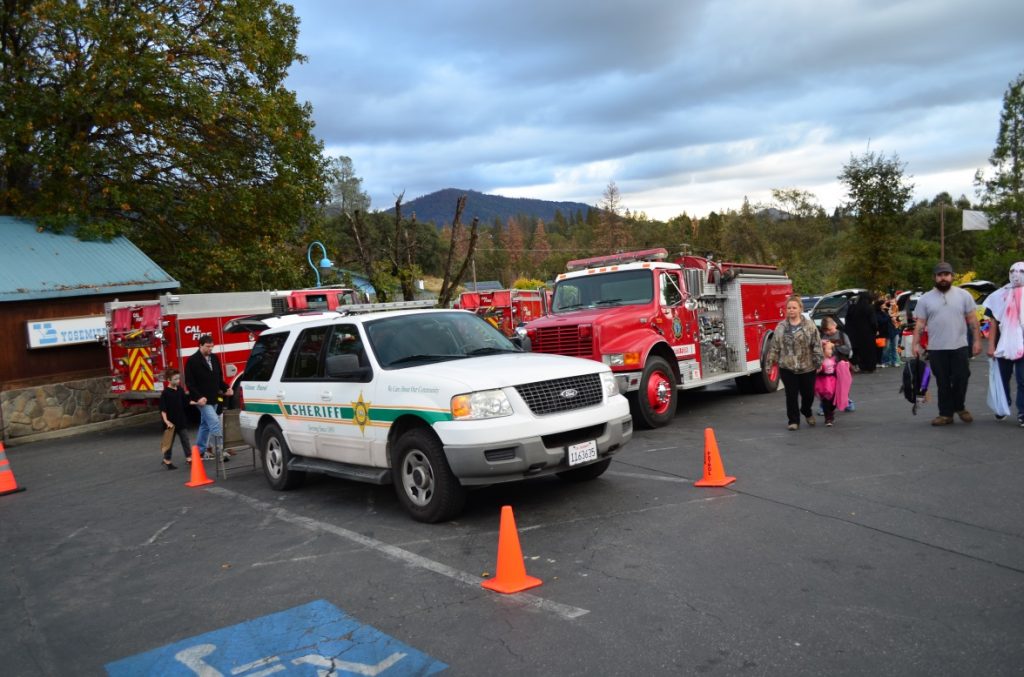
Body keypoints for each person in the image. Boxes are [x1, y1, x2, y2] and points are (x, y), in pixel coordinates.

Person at [912, 262, 981, 426]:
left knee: (961, 378)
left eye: (946, 274)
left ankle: (960, 407)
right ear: (935, 277)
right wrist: (915, 344)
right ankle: (945, 414)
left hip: (960, 346)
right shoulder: (925, 299)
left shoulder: (964, 295)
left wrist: (977, 340)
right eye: (940, 275)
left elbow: (973, 320)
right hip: (937, 348)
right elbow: (920, 324)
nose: (943, 278)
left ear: (952, 276)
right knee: (942, 382)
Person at [767, 295, 824, 430]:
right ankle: (793, 421)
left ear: (800, 309)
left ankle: (806, 410)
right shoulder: (781, 327)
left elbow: (816, 344)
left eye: (794, 308)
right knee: (791, 396)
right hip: (787, 367)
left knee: (808, 395)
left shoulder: (809, 326)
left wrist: (818, 361)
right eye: (789, 308)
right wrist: (770, 364)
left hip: (807, 367)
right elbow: (774, 347)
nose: (791, 310)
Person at [983, 261, 1024, 426]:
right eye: (1013, 271)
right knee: (1002, 378)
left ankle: (1022, 412)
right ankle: (1002, 405)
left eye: (1021, 271)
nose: (1016, 274)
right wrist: (991, 345)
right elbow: (993, 322)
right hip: (1003, 344)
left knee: (1023, 380)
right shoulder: (999, 295)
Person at [185, 335, 233, 460]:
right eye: (207, 346)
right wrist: (198, 397)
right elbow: (190, 383)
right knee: (215, 423)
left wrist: (226, 388)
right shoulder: (192, 361)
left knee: (205, 424)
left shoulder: (215, 358)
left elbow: (218, 378)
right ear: (200, 345)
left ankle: (200, 451)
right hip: (202, 400)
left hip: (214, 397)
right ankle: (219, 451)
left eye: (212, 346)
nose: (210, 349)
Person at [819, 316, 855, 412]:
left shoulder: (842, 335)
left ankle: (846, 402)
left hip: (841, 365)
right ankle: (824, 406)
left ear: (835, 325)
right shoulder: (823, 338)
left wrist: (834, 347)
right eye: (825, 331)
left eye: (830, 330)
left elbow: (848, 349)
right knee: (828, 388)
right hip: (828, 367)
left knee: (843, 385)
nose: (828, 333)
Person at [158, 369, 192, 469]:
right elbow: (163, 409)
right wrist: (166, 421)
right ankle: (167, 460)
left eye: (179, 378)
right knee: (168, 442)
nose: (178, 381)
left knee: (185, 439)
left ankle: (189, 458)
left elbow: (186, 402)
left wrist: (196, 402)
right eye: (175, 379)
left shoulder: (180, 389)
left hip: (181, 420)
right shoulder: (165, 393)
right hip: (170, 422)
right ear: (168, 380)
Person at [845, 294, 878, 373]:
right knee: (869, 351)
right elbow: (873, 322)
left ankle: (861, 366)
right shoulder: (869, 308)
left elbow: (847, 320)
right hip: (868, 334)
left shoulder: (852, 307)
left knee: (859, 351)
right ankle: (870, 367)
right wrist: (875, 330)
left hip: (855, 334)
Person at [815, 341, 839, 427]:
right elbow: (815, 371)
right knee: (825, 401)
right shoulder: (819, 361)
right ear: (822, 350)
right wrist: (818, 369)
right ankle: (828, 418)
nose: (831, 351)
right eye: (829, 349)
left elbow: (839, 369)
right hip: (822, 383)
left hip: (833, 382)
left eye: (831, 349)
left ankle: (831, 412)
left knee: (833, 402)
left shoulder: (834, 359)